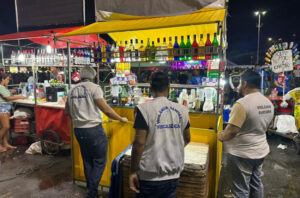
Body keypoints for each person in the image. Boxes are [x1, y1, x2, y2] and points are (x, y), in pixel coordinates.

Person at [65, 66, 128, 198]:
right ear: (93, 76)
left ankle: (92, 192)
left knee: (87, 161)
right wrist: (121, 118)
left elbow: (67, 112)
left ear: (81, 76)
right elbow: (106, 110)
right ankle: (91, 192)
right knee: (100, 161)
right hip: (94, 130)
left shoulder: (71, 90)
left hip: (78, 130)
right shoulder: (94, 88)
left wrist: (79, 119)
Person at [129, 72, 191, 198]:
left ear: (151, 90)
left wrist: (132, 171)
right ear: (169, 89)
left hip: (149, 176)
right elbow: (187, 139)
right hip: (173, 175)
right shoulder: (182, 110)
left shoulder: (143, 109)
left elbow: (139, 143)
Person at [218, 70, 274, 198]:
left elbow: (232, 130)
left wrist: (221, 137)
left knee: (240, 189)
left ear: (244, 84)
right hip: (260, 150)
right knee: (256, 183)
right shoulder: (268, 103)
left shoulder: (242, 104)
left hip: (242, 153)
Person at [0, 73, 27, 152]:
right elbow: (8, 98)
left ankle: (6, 144)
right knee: (6, 127)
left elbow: (6, 95)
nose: (8, 81)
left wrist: (9, 91)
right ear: (2, 79)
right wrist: (20, 96)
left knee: (4, 128)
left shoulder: (3, 87)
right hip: (2, 108)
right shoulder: (1, 87)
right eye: (7, 79)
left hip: (5, 108)